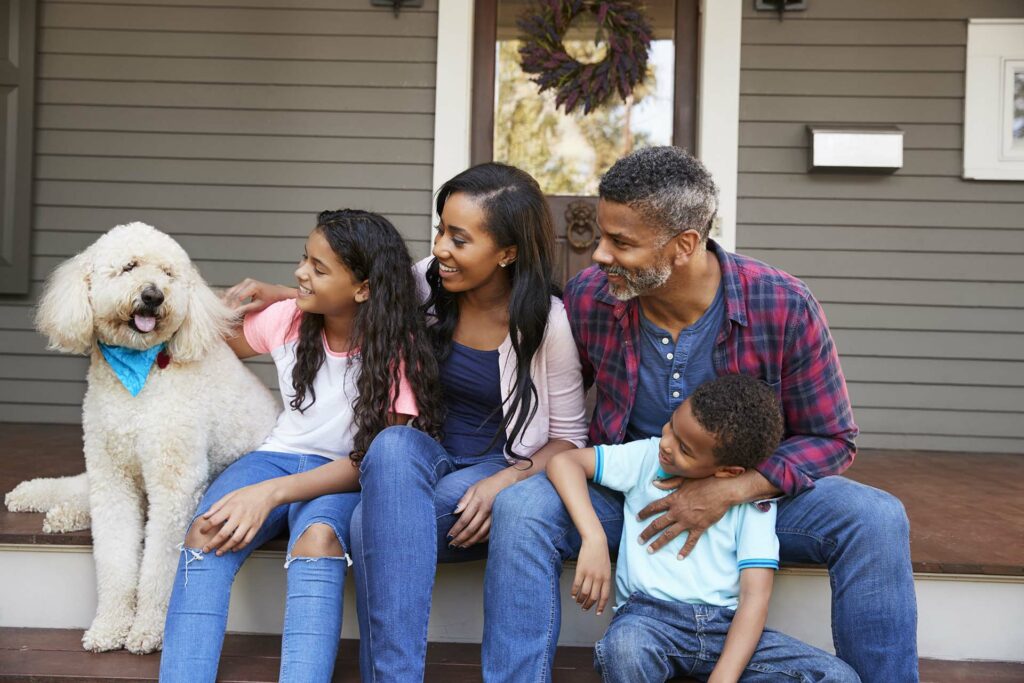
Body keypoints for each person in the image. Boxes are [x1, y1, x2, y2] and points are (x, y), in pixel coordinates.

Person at [484, 147, 916, 683]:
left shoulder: (781, 304)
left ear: (685, 244)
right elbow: (558, 407)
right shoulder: (592, 297)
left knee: (874, 517)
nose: (598, 255)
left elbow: (831, 438)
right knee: (523, 510)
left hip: (750, 503)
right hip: (631, 494)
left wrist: (731, 491)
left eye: (621, 242)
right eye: (601, 234)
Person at [159, 210, 444, 683]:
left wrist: (271, 494)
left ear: (363, 288)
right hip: (274, 457)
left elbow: (372, 463)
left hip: (342, 474)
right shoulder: (290, 319)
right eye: (303, 259)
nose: (299, 273)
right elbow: (215, 339)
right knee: (207, 530)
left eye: (318, 267)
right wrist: (208, 303)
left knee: (319, 540)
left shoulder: (398, 349)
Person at [349, 162, 589, 681]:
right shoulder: (423, 285)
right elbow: (347, 297)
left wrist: (507, 480)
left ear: (508, 251)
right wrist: (277, 298)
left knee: (363, 522)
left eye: (459, 238)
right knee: (390, 445)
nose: (440, 248)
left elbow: (570, 438)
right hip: (427, 457)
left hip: (502, 463)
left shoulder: (548, 324)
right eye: (440, 230)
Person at [548, 374, 860, 683]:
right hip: (647, 622)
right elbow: (565, 463)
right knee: (624, 650)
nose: (667, 444)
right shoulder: (645, 458)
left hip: (725, 629)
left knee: (836, 676)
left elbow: (755, 597)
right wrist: (593, 536)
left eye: (685, 449)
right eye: (671, 426)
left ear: (729, 471)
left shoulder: (754, 503)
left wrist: (724, 676)